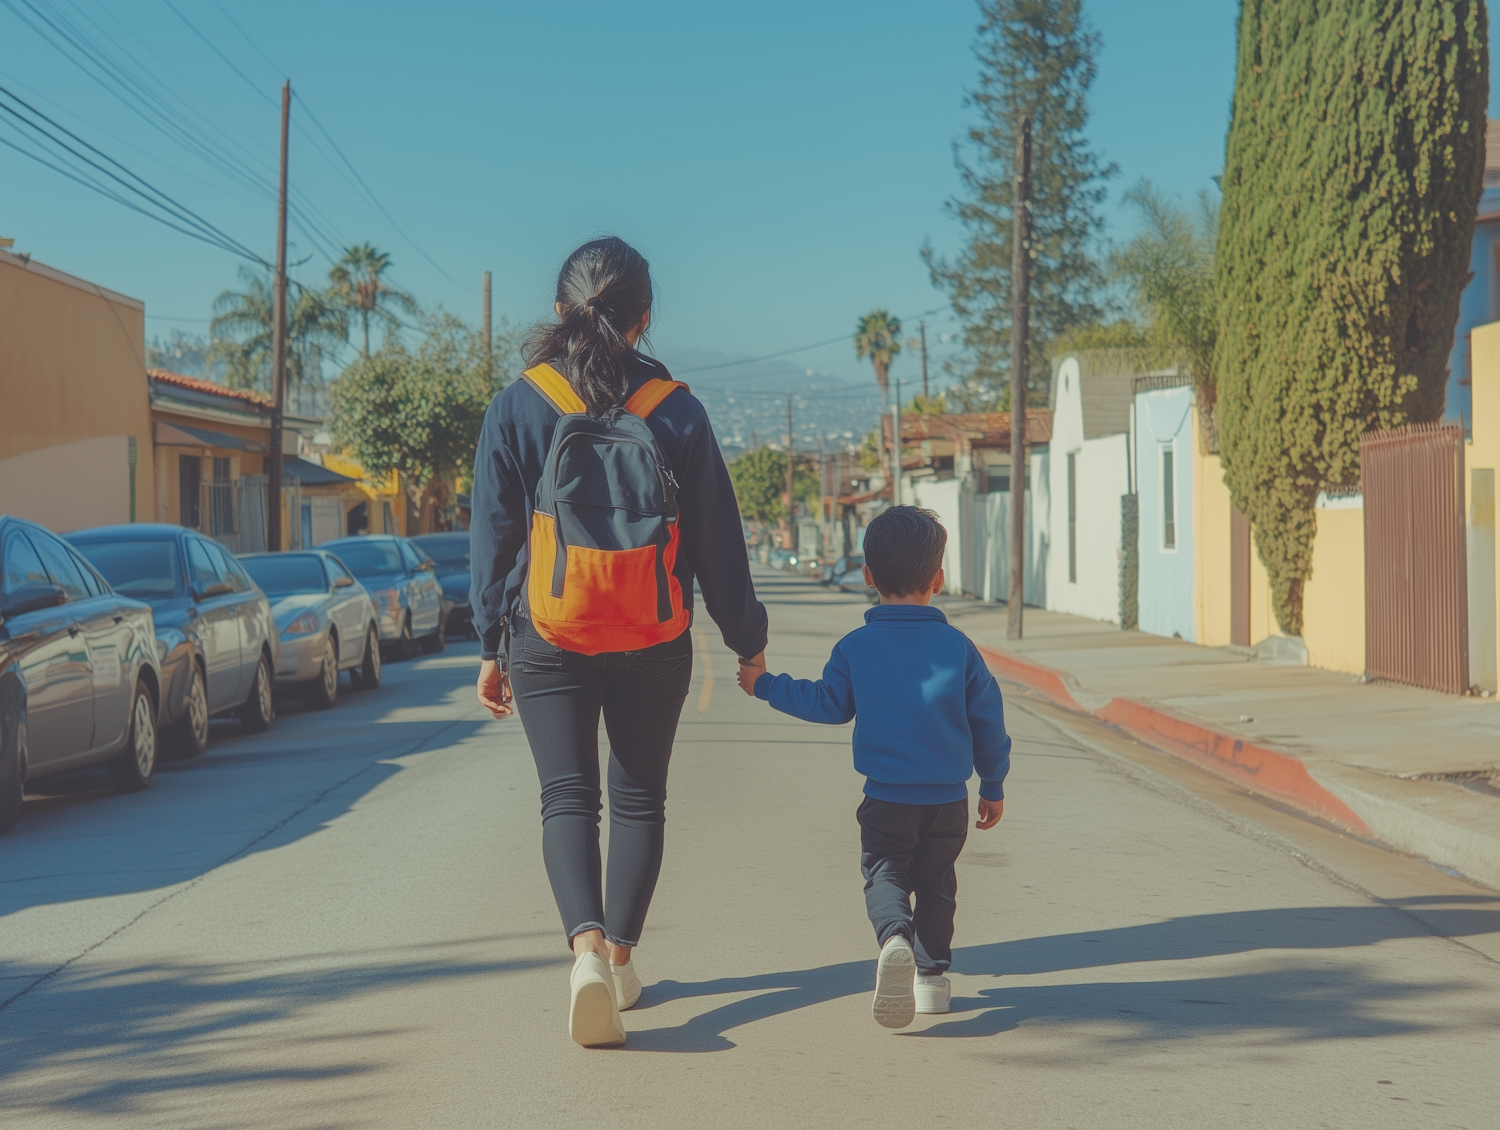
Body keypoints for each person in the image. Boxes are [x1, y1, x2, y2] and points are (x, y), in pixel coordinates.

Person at [470, 237, 768, 1048]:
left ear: (562, 309)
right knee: (639, 797)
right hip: (655, 631)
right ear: (643, 317)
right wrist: (748, 641)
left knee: (566, 796)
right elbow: (716, 540)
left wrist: (490, 645)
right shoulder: (675, 408)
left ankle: (587, 953)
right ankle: (625, 961)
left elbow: (494, 537)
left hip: (547, 630)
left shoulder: (519, 404)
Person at [735, 505, 1009, 1029]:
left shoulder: (856, 647)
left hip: (886, 799)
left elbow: (827, 704)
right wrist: (992, 783)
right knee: (937, 884)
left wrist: (765, 684)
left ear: (867, 577)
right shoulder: (959, 648)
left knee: (884, 872)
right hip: (948, 801)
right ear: (939, 580)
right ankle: (931, 982)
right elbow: (988, 722)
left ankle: (894, 938)